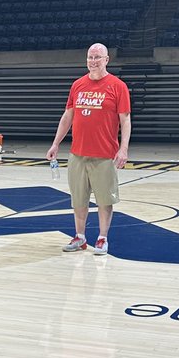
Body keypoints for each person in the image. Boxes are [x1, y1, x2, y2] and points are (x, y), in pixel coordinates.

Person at [46, 42, 131, 255]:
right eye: (90, 57)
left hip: (104, 155)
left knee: (104, 200)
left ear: (106, 60)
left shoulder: (117, 86)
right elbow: (68, 116)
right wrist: (56, 143)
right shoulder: (78, 85)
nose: (93, 61)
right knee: (78, 199)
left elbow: (125, 120)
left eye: (97, 57)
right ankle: (80, 237)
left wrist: (123, 149)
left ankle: (102, 238)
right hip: (78, 154)